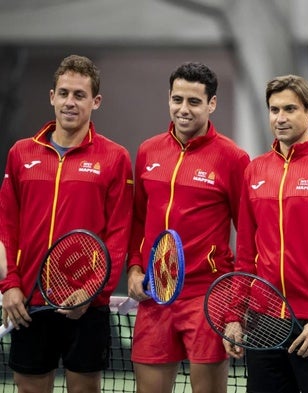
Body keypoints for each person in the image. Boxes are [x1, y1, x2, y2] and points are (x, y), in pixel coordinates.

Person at [0, 55, 133, 393]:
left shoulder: (115, 158)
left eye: (79, 95)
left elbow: (118, 235)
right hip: (28, 301)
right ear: (51, 96)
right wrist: (10, 286)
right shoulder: (20, 153)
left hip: (87, 305)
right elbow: (7, 226)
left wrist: (91, 290)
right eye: (63, 93)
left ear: (95, 101)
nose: (69, 102)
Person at [222, 74, 308, 393]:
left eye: (289, 109)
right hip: (262, 322)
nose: (280, 118)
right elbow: (245, 253)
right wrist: (234, 314)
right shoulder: (254, 171)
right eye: (273, 110)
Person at [126, 62, 250, 393]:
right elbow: (138, 220)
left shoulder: (233, 158)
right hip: (155, 296)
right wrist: (135, 268)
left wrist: (235, 308)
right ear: (168, 98)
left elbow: (249, 236)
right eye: (177, 99)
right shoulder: (148, 151)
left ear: (211, 104)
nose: (184, 109)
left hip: (207, 297)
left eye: (194, 102)